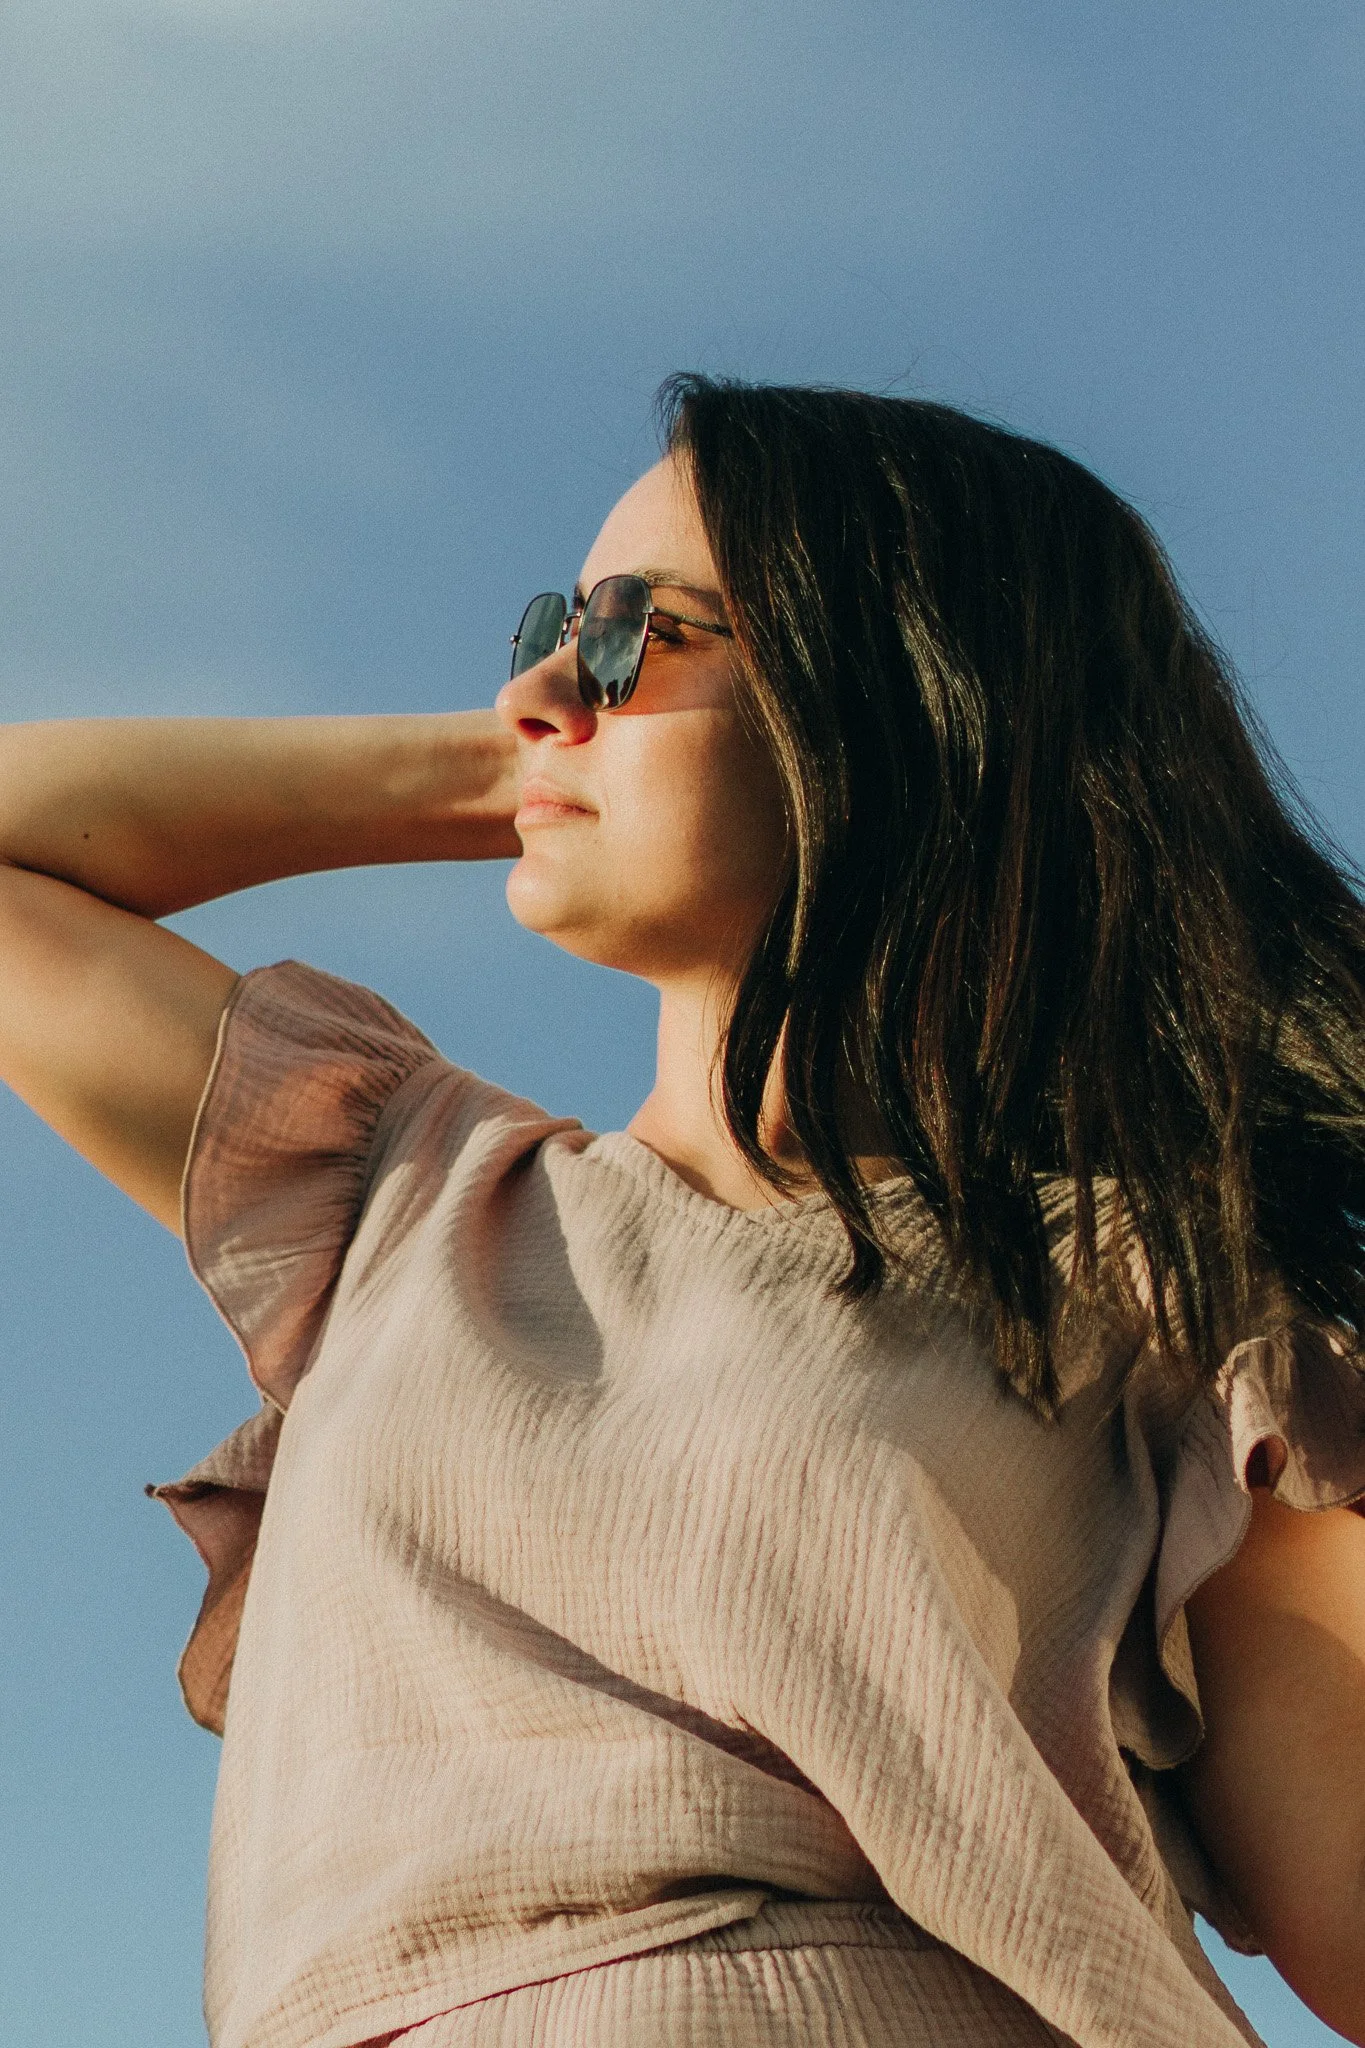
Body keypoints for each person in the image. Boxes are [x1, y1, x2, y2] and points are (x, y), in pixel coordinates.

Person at [1, 376, 1363, 2048]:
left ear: (902, 705)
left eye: (645, 629)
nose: (544, 681)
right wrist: (533, 745)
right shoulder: (405, 1197)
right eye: (553, 624)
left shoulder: (1164, 1302)